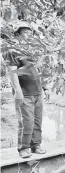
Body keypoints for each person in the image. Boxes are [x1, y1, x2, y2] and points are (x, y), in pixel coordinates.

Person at [2, 22, 46, 158]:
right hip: (25, 93)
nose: (28, 35)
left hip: (37, 92)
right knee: (26, 122)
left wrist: (45, 88)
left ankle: (36, 145)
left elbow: (38, 70)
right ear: (18, 35)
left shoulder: (32, 51)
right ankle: (23, 147)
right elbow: (12, 72)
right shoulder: (12, 51)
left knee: (38, 121)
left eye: (30, 32)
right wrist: (18, 92)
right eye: (25, 32)